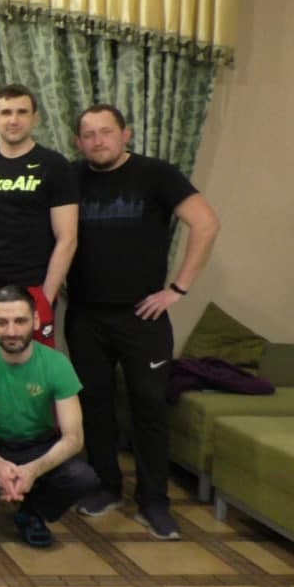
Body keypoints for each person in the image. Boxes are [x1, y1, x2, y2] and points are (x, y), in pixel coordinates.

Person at [67, 105, 220, 540]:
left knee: (149, 407)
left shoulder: (156, 174)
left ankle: (154, 501)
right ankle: (106, 486)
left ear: (126, 134)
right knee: (94, 405)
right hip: (85, 314)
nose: (98, 141)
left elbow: (206, 224)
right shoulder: (71, 177)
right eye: (89, 135)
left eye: (106, 132)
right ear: (78, 142)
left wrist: (178, 289)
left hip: (143, 316)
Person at [0, 286, 98, 548]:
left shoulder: (57, 363)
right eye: (2, 322)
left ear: (36, 321)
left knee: (83, 477)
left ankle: (32, 514)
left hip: (38, 444)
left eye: (20, 321)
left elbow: (74, 437)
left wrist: (33, 470)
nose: (12, 331)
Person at [0, 84, 78, 347]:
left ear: (35, 118)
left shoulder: (54, 166)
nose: (13, 120)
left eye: (22, 112)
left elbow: (67, 238)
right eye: (6, 112)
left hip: (31, 287)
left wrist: (46, 297)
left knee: (32, 368)